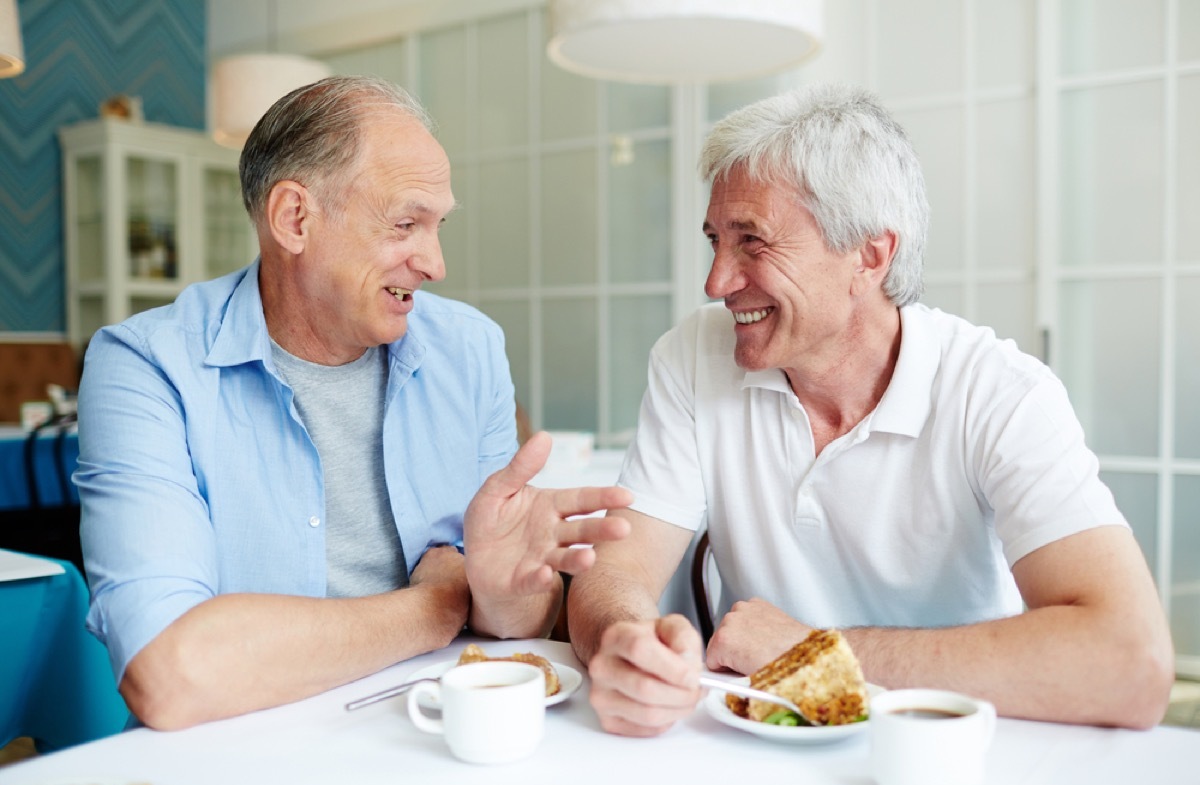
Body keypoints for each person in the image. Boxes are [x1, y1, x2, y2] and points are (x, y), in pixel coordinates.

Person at [568, 83, 1174, 735]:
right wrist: (626, 641)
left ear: (870, 254)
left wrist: (815, 654)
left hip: (948, 750)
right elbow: (619, 571)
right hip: (760, 744)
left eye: (752, 242)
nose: (716, 282)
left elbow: (1130, 664)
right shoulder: (692, 355)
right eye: (715, 239)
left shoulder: (999, 392)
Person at [75, 75, 631, 730]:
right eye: (405, 223)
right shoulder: (145, 366)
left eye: (438, 224)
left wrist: (508, 593)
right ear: (295, 219)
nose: (435, 261)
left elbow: (511, 625)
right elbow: (170, 677)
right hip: (241, 754)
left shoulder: (469, 349)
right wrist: (437, 606)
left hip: (435, 735)